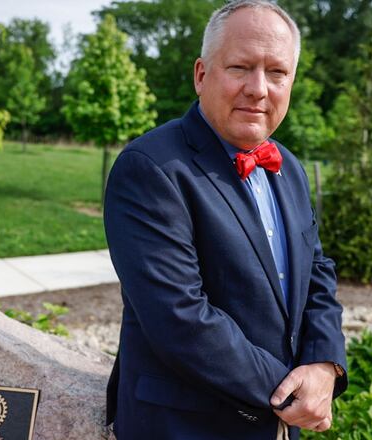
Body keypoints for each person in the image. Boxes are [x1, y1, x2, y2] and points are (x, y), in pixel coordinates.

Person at [103, 1, 347, 439]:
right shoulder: (150, 168)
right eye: (240, 67)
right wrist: (292, 394)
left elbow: (316, 274)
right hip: (183, 426)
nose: (259, 88)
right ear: (201, 74)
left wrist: (325, 364)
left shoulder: (289, 167)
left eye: (277, 72)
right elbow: (180, 318)